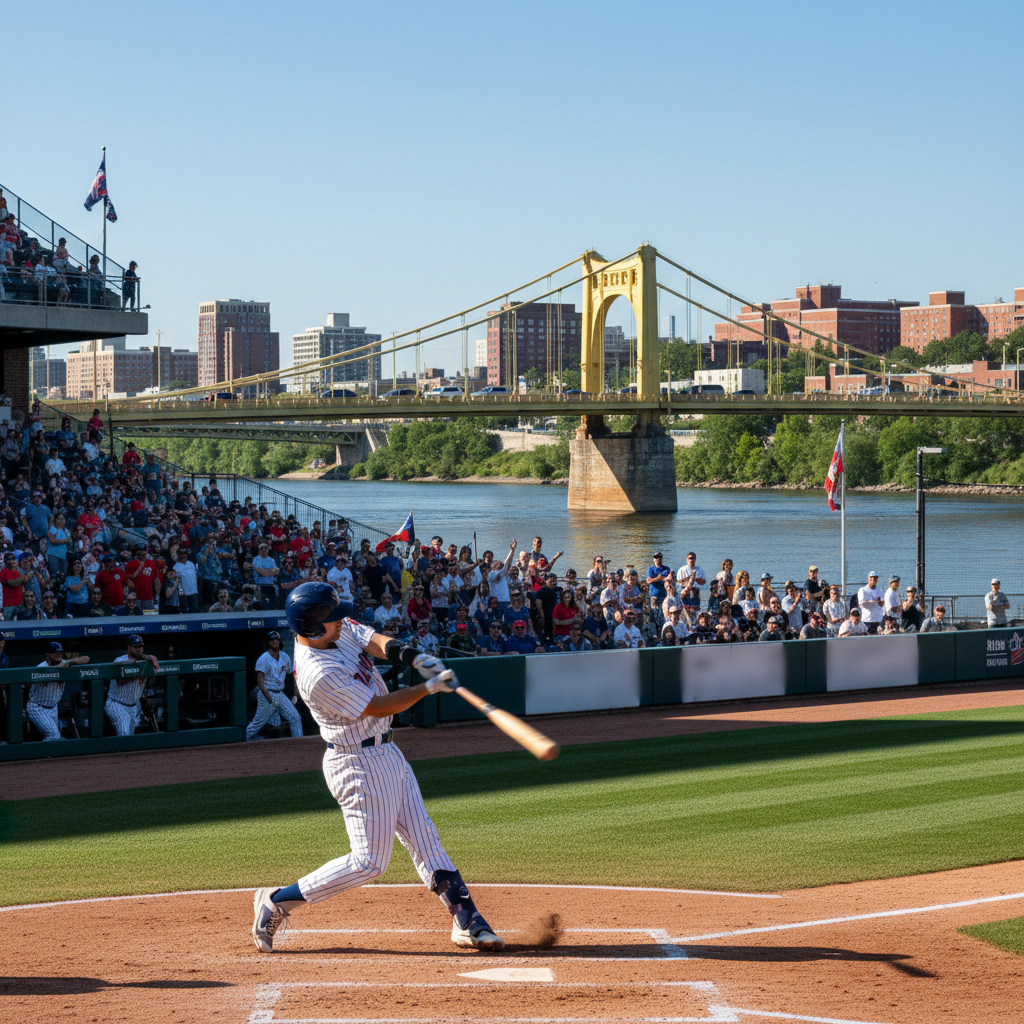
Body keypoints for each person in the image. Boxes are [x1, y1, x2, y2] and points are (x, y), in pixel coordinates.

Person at [251, 581, 503, 954]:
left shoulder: (332, 630)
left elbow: (370, 639)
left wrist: (411, 656)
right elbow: (378, 706)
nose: (342, 622)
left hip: (387, 753)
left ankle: (466, 919)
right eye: (334, 619)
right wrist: (429, 686)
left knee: (425, 839)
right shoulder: (318, 672)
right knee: (369, 863)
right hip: (356, 762)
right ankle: (277, 902)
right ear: (312, 628)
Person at [27, 642, 90, 741]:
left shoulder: (64, 662)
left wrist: (70, 662)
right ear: (48, 654)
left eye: (60, 652)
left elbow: (86, 658)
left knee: (56, 736)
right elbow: (50, 676)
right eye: (56, 653)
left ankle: (48, 755)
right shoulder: (41, 667)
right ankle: (42, 755)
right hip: (37, 707)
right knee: (54, 736)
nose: (59, 655)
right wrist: (61, 668)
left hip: (53, 707)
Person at [247, 631, 303, 741]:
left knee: (295, 718)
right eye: (273, 640)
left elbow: (289, 675)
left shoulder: (285, 657)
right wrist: (268, 697)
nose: (275, 642)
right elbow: (260, 682)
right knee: (257, 724)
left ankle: (299, 743)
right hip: (267, 692)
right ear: (268, 643)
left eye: (277, 640)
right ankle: (239, 740)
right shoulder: (263, 659)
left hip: (279, 693)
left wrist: (293, 695)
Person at [107, 635, 160, 736]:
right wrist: (139, 674)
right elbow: (120, 681)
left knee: (129, 737)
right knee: (124, 733)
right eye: (135, 647)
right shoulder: (119, 660)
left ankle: (122, 752)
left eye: (140, 646)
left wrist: (151, 671)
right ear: (129, 648)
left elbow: (151, 682)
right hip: (117, 704)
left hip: (134, 705)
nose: (139, 649)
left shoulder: (145, 662)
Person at [676, 552, 706, 623]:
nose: (691, 560)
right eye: (689, 558)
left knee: (696, 612)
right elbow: (679, 582)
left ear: (695, 559)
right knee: (685, 612)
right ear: (687, 559)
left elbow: (704, 582)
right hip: (686, 593)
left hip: (696, 593)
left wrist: (699, 580)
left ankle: (695, 626)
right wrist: (690, 578)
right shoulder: (682, 570)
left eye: (693, 558)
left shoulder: (699, 569)